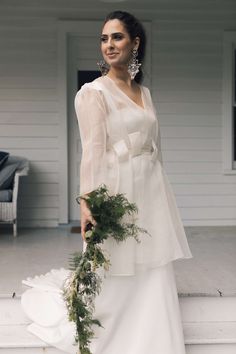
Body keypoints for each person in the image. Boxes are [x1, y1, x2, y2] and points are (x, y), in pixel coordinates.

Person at [21, 10, 193, 354]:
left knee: (152, 260)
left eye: (117, 37)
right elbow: (93, 152)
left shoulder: (144, 93)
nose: (109, 45)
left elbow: (155, 146)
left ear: (135, 43)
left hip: (150, 186)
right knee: (113, 262)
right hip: (116, 188)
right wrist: (87, 203)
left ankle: (155, 338)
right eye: (104, 38)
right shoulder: (93, 93)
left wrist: (158, 188)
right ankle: (107, 336)